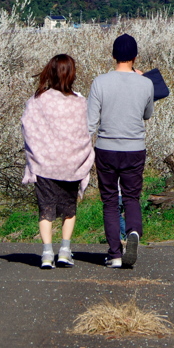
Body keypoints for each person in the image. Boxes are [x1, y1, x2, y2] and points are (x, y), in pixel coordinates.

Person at [21, 53, 94, 270]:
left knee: (46, 209)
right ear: (71, 74)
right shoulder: (80, 102)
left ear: (50, 72)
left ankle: (46, 254)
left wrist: (36, 154)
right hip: (71, 165)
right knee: (69, 208)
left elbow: (27, 128)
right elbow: (85, 132)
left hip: (44, 164)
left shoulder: (37, 101)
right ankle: (64, 250)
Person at [87, 33, 154, 269]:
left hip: (106, 148)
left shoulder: (100, 82)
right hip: (135, 148)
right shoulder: (146, 83)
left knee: (109, 202)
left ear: (113, 55)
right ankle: (134, 232)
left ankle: (115, 253)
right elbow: (147, 115)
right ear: (135, 56)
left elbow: (90, 122)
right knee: (132, 197)